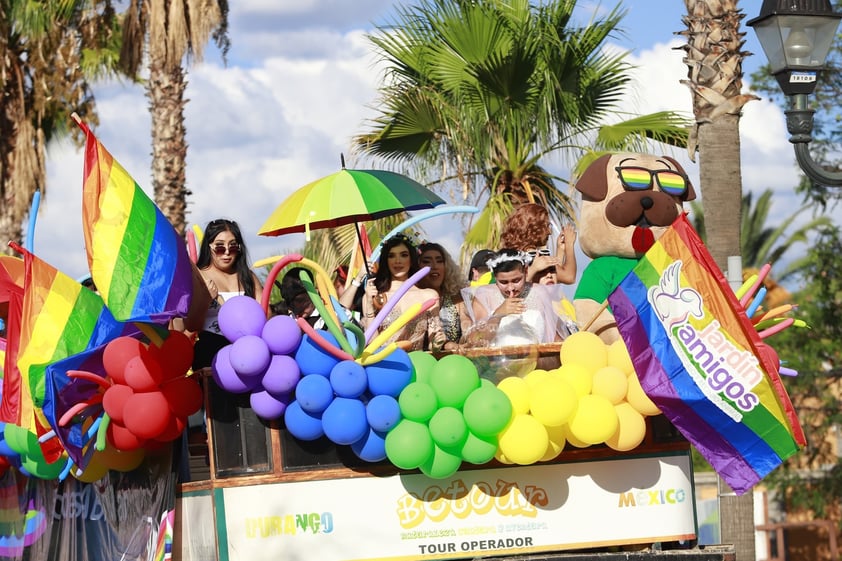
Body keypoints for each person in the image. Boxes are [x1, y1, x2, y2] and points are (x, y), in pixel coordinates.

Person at [189, 219, 264, 371]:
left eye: (233, 246)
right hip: (212, 353)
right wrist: (205, 300)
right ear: (209, 247)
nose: (227, 252)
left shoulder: (248, 277)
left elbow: (265, 314)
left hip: (249, 352)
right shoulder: (199, 278)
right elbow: (191, 325)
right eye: (220, 247)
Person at [357, 234, 444, 352]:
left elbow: (432, 343)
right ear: (386, 261)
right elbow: (372, 345)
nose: (397, 261)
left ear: (411, 259)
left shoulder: (429, 296)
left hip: (418, 366)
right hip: (385, 365)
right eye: (392, 256)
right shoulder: (374, 296)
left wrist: (437, 343)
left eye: (404, 255)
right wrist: (368, 303)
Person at [468, 248, 573, 344]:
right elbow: (475, 341)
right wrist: (497, 315)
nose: (511, 288)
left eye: (516, 280)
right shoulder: (484, 296)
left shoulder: (539, 292)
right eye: (503, 282)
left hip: (538, 362)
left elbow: (553, 337)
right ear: (495, 277)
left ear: (526, 271)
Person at [499, 203, 576, 285]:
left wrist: (560, 250)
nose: (549, 232)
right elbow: (569, 277)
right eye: (546, 226)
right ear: (534, 228)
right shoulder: (533, 257)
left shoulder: (515, 256)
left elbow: (554, 275)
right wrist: (569, 245)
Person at [417, 242, 471, 352]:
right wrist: (444, 344)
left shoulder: (457, 299)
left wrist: (472, 337)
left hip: (453, 363)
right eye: (427, 262)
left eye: (439, 261)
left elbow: (468, 327)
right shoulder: (411, 299)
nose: (434, 266)